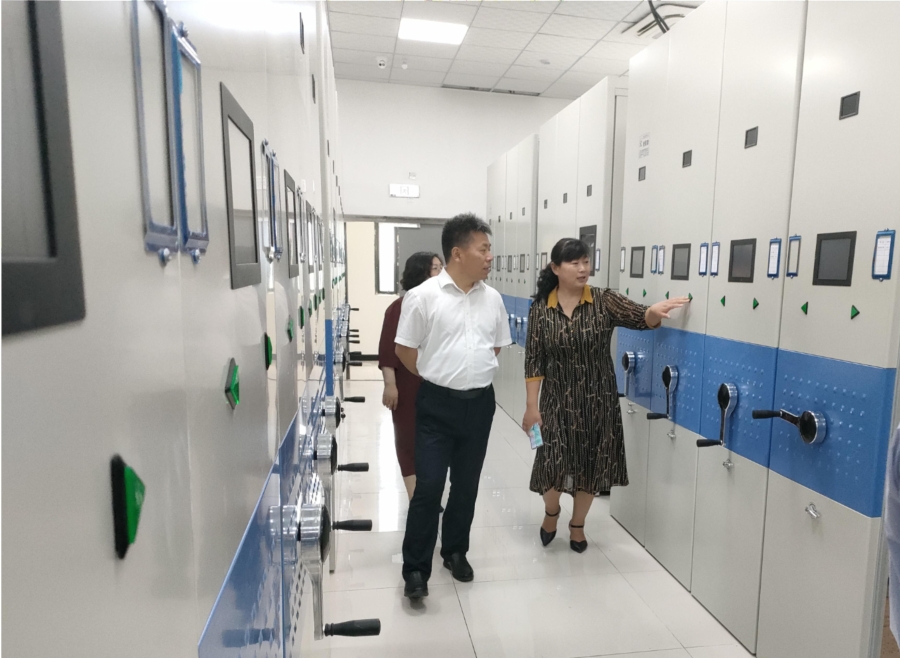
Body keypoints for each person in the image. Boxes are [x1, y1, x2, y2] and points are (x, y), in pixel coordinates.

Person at [522, 238, 688, 552]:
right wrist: (532, 406)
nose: (583, 268)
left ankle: (578, 525)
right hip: (555, 401)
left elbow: (639, 317)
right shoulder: (541, 309)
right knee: (550, 463)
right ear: (556, 268)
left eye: (586, 261)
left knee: (590, 464)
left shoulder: (603, 300)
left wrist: (654, 312)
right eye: (574, 263)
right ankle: (551, 512)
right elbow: (534, 360)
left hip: (597, 400)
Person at [394, 213, 511, 599]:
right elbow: (404, 351)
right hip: (436, 406)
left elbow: (494, 347)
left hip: (479, 405)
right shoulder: (423, 297)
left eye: (490, 249)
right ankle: (415, 569)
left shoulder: (493, 299)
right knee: (428, 487)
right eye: (484, 249)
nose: (490, 256)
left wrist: (467, 373)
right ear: (458, 253)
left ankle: (455, 551)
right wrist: (438, 375)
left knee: (466, 484)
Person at [378, 252, 443, 501]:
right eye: (435, 268)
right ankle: (417, 500)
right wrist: (390, 385)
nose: (441, 272)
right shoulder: (399, 308)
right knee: (408, 441)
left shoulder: (443, 304)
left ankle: (429, 496)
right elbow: (388, 350)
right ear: (421, 272)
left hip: (436, 386)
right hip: (407, 385)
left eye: (441, 267)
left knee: (433, 444)